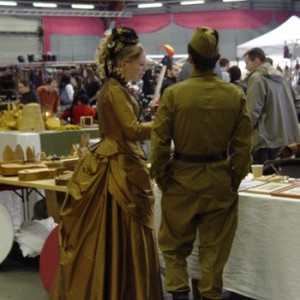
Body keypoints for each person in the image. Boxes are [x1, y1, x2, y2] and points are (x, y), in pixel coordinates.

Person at [50, 26, 164, 300]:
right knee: (119, 232)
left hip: (118, 162)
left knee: (114, 233)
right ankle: (123, 289)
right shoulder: (113, 90)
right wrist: (163, 123)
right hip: (119, 168)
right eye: (141, 64)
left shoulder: (115, 88)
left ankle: (117, 285)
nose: (144, 68)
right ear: (123, 64)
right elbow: (132, 130)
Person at [150, 26, 253, 300]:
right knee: (214, 252)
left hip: (181, 182)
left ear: (191, 60)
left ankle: (179, 296)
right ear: (217, 59)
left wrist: (163, 178)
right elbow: (244, 145)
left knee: (173, 250)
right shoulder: (234, 94)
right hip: (219, 182)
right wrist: (234, 176)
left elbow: (159, 143)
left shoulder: (173, 95)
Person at [243, 47, 300, 164]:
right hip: (283, 137)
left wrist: (242, 133)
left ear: (257, 61)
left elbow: (252, 111)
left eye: (247, 63)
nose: (246, 67)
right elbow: (295, 101)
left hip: (264, 139)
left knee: (262, 177)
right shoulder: (281, 77)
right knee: (279, 177)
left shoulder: (257, 78)